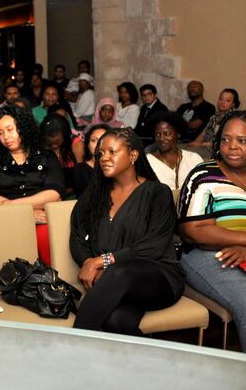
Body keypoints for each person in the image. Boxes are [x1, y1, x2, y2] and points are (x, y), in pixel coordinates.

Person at [70, 128, 183, 335]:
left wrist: (102, 261)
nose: (104, 158)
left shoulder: (157, 193)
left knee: (118, 272)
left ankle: (72, 348)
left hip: (158, 277)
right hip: (112, 282)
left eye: (112, 152)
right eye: (101, 154)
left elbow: (154, 246)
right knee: (116, 321)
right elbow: (78, 237)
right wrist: (88, 262)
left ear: (133, 155)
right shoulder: (94, 195)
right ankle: (156, 365)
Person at [178, 111, 246, 353]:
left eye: (242, 140)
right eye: (226, 139)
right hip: (203, 255)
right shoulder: (203, 175)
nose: (232, 147)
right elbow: (193, 231)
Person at [0, 106, 65, 264]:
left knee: (46, 234)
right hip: (4, 220)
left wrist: (9, 205)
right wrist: (25, 214)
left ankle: (52, 284)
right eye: (0, 133)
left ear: (23, 128)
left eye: (10, 130)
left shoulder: (46, 155)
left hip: (42, 218)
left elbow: (55, 192)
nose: (5, 136)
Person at [145, 112, 204, 191]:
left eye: (167, 134)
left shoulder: (194, 159)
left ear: (178, 134)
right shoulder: (148, 161)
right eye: (158, 134)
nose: (161, 138)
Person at [188, 88, 240, 158]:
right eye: (221, 99)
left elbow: (222, 142)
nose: (222, 102)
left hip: (214, 151)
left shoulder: (231, 119)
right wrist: (194, 143)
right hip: (203, 146)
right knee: (182, 148)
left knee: (187, 154)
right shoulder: (214, 116)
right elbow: (204, 132)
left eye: (227, 100)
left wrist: (200, 144)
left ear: (233, 104)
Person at [41, 114, 80, 196]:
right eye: (50, 142)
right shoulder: (41, 150)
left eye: (57, 141)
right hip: (48, 196)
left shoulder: (75, 144)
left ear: (64, 134)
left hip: (74, 195)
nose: (53, 141)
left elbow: (82, 176)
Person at [73, 124, 110, 198]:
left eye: (103, 140)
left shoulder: (117, 167)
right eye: (94, 140)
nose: (98, 144)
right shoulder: (81, 169)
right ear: (88, 146)